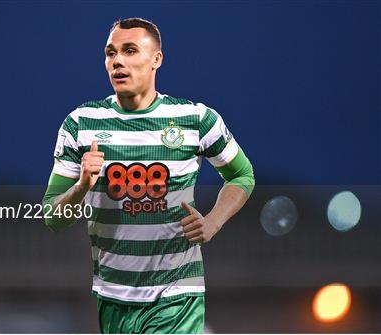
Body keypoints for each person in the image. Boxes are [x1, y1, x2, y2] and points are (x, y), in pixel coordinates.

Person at [42, 17, 254, 334]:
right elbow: (52, 215)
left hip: (178, 292)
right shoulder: (80, 124)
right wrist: (81, 185)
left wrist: (213, 222)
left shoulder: (195, 119)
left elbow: (242, 176)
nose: (118, 61)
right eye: (110, 53)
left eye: (129, 51)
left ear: (156, 59)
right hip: (114, 295)